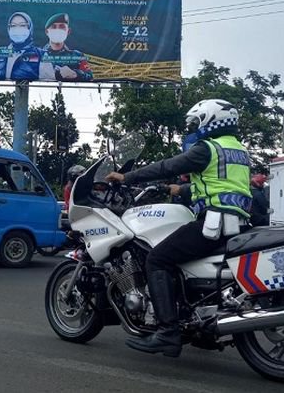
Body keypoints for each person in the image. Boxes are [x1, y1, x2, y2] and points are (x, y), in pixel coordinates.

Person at [105, 99, 252, 358]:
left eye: (197, 122)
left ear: (211, 121)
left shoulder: (208, 148)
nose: (194, 128)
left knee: (157, 259)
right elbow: (222, 185)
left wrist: (127, 177)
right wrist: (178, 189)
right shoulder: (238, 150)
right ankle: (195, 322)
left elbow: (168, 166)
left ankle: (167, 331)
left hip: (213, 224)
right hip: (236, 224)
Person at [0, 12, 53, 81]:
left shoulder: (41, 54)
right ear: (8, 29)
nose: (17, 29)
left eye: (22, 25)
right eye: (13, 26)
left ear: (30, 28)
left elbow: (49, 81)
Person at [42, 13, 93, 81]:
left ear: (68, 31)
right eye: (53, 27)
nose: (57, 30)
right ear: (46, 32)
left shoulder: (78, 56)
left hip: (70, 90)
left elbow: (90, 76)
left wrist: (75, 74)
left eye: (62, 26)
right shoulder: (38, 54)